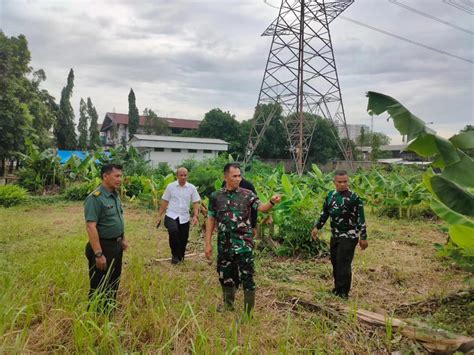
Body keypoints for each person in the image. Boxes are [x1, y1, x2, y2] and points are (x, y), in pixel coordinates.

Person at [205, 163, 281, 316]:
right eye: (234, 176)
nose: (238, 179)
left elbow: (261, 208)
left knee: (247, 276)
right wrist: (207, 243)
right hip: (224, 244)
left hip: (244, 243)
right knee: (225, 275)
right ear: (225, 177)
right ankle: (228, 305)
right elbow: (211, 219)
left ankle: (248, 314)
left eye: (239, 175)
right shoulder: (216, 196)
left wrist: (272, 202)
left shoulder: (247, 194)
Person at [311, 169, 368, 299]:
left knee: (343, 262)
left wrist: (363, 237)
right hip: (335, 234)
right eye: (340, 182)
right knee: (335, 262)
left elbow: (361, 218)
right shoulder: (330, 196)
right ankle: (337, 289)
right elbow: (325, 213)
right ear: (334, 182)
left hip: (349, 235)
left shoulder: (354, 198)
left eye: (345, 181)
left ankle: (343, 294)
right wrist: (317, 227)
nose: (343, 184)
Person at [84, 163, 128, 312]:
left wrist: (122, 239)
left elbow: (118, 218)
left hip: (116, 245)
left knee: (114, 281)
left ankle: (108, 311)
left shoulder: (115, 195)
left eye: (120, 176)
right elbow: (91, 226)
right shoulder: (95, 198)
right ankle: (94, 315)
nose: (120, 179)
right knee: (99, 284)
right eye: (117, 176)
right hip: (102, 246)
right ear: (105, 176)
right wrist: (98, 253)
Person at [157, 167, 201, 264]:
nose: (183, 177)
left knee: (183, 239)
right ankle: (175, 255)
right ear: (177, 176)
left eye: (185, 175)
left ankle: (180, 256)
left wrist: (195, 216)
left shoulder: (192, 188)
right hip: (171, 215)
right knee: (173, 231)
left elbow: (195, 202)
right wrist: (159, 215)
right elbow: (165, 201)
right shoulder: (170, 186)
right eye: (181, 175)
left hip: (184, 217)